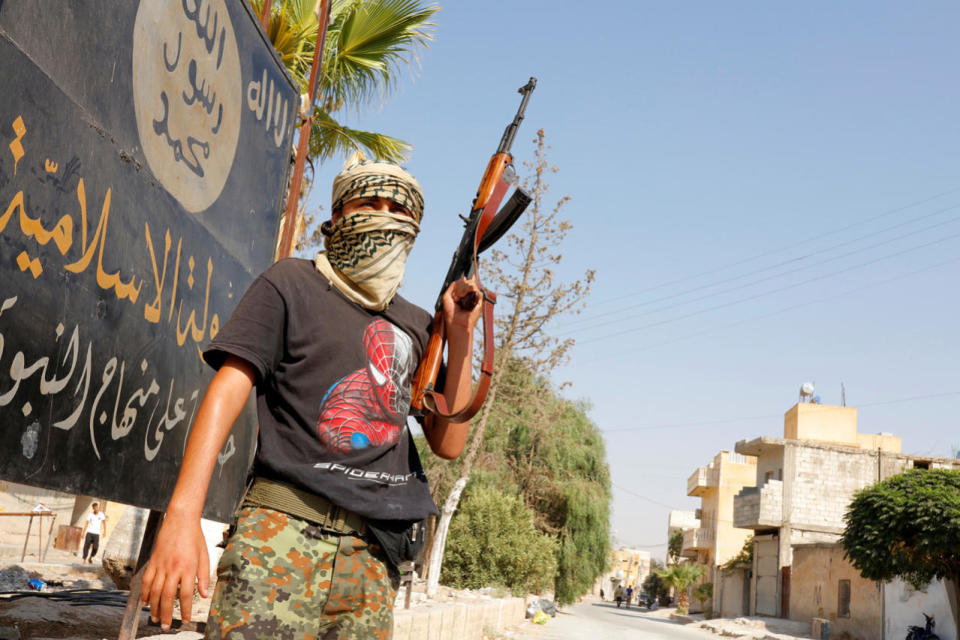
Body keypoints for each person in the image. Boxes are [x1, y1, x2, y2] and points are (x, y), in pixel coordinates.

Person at [140, 154, 482, 639]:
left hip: (371, 556)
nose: (386, 217)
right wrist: (182, 514)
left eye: (399, 211)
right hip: (280, 532)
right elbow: (227, 390)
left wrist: (462, 334)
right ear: (339, 213)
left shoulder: (415, 324)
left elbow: (448, 443)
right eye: (371, 203)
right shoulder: (291, 283)